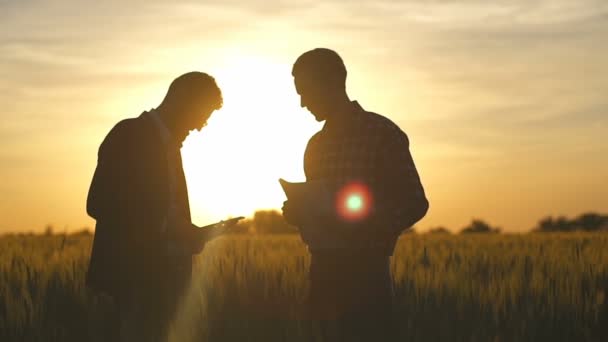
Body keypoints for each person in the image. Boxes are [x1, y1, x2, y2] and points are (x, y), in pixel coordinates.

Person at [282, 48, 429, 341]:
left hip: (367, 277)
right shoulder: (316, 145)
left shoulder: (381, 133)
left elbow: (415, 201)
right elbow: (319, 206)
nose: (301, 104)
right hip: (322, 275)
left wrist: (367, 226)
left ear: (332, 82)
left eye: (306, 92)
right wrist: (298, 214)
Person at [85, 72, 224, 341]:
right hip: (129, 284)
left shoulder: (171, 147)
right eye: (200, 116)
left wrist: (192, 235)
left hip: (165, 285)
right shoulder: (129, 134)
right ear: (181, 101)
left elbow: (162, 210)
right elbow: (98, 202)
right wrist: (168, 228)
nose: (199, 128)